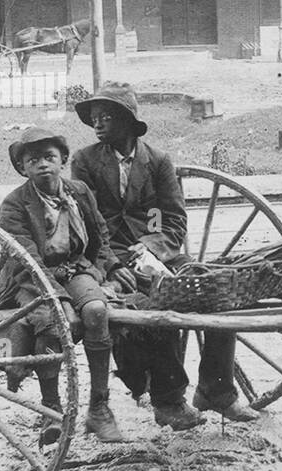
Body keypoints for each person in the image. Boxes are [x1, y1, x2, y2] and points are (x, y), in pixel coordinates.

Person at [71, 83, 261, 430]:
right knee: (155, 301)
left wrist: (152, 245)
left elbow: (173, 220)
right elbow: (85, 223)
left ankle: (216, 390)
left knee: (213, 286)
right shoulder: (84, 162)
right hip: (109, 259)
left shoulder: (157, 162)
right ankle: (169, 400)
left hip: (159, 253)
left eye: (106, 116)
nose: (97, 124)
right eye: (94, 118)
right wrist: (113, 261)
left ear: (127, 121)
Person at [0, 126, 126, 444]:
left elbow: (101, 235)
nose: (42, 164)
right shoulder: (15, 204)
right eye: (33, 159)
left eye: (49, 157)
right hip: (33, 279)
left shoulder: (79, 192)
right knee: (56, 323)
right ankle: (51, 409)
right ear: (22, 167)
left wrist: (98, 270)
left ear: (62, 160)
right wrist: (60, 299)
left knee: (95, 311)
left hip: (76, 269)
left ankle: (99, 408)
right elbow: (27, 260)